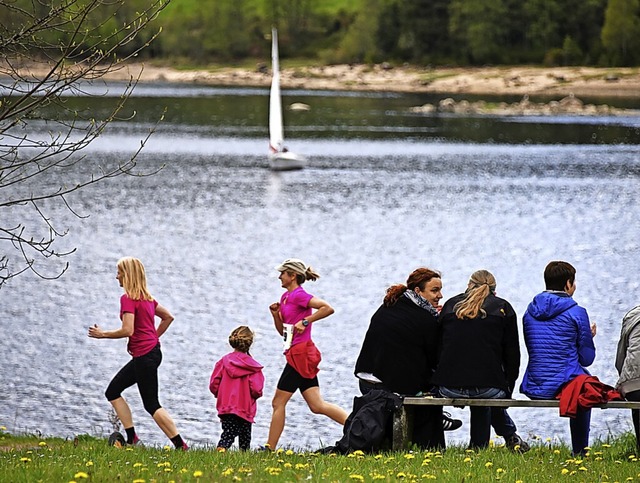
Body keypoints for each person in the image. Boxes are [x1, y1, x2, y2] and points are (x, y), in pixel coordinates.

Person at [354, 267, 461, 450]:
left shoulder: (392, 305)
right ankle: (432, 440)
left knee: (423, 378)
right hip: (386, 385)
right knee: (434, 385)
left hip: (366, 378)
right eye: (434, 290)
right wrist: (439, 321)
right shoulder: (424, 318)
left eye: (440, 290)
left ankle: (436, 418)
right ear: (418, 291)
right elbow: (436, 357)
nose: (440, 295)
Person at [88, 257, 188, 450]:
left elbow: (128, 330)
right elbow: (168, 317)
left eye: (119, 272)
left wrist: (103, 335)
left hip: (145, 356)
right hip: (151, 353)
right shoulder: (148, 299)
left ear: (128, 275)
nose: (116, 276)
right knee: (113, 391)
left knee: (152, 404)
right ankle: (132, 438)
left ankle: (180, 445)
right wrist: (153, 338)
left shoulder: (128, 299)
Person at [431, 269, 528, 451]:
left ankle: (502, 440)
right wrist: (508, 389)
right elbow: (512, 357)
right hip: (488, 388)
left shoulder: (451, 305)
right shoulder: (503, 308)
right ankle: (485, 445)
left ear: (469, 285)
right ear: (494, 290)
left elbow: (438, 350)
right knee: (484, 393)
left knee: (481, 388)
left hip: (449, 387)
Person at [264, 258, 348, 450]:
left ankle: (269, 448)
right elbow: (284, 332)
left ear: (292, 275)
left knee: (278, 402)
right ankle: (359, 426)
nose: (279, 277)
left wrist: (307, 321)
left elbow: (328, 308)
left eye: (282, 273)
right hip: (295, 353)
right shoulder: (285, 298)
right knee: (317, 405)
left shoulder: (299, 296)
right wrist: (276, 316)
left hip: (300, 355)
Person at [520, 260, 596, 456]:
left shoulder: (529, 312)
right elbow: (587, 358)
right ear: (568, 284)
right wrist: (588, 337)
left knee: (580, 385)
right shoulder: (577, 312)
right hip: (564, 386)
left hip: (535, 384)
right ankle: (579, 451)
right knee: (583, 390)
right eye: (574, 282)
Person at [209, 326, 264, 451]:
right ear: (249, 343)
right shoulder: (253, 367)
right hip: (245, 408)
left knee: (228, 433)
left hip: (226, 405)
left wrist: (221, 393)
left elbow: (213, 384)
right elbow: (256, 389)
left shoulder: (223, 362)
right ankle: (239, 456)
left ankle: (222, 450)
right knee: (245, 437)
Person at [615, 305, 640, 450]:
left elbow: (620, 359)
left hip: (631, 386)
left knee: (635, 388)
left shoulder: (632, 315)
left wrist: (625, 380)